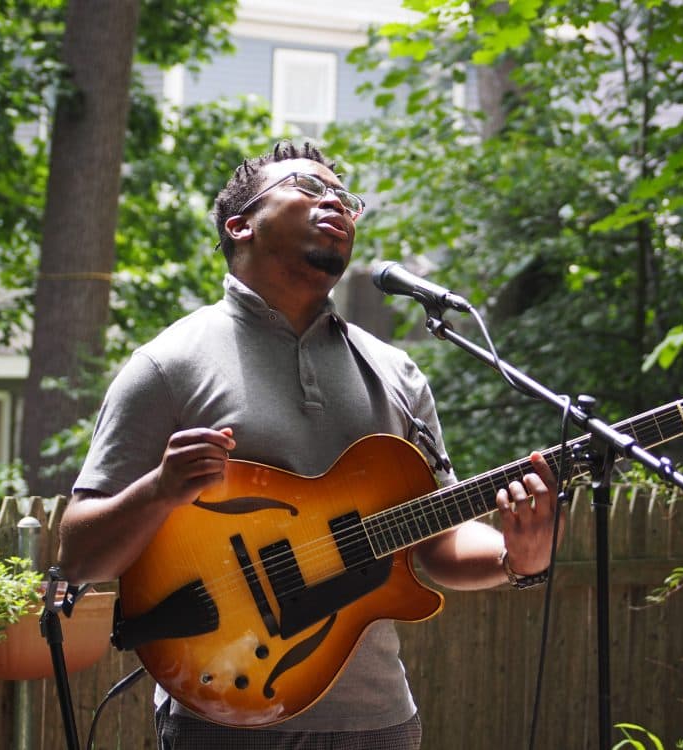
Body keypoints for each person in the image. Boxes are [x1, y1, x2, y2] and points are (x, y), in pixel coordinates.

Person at [58, 141, 562, 749]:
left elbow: (438, 538)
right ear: (239, 225)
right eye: (307, 186)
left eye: (346, 198)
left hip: (378, 721)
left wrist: (517, 557)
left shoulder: (395, 375)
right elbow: (80, 554)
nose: (337, 203)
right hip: (223, 720)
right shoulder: (168, 364)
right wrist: (159, 490)